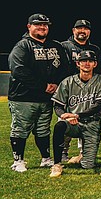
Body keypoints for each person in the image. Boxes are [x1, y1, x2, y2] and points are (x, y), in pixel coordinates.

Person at [8, 13, 70, 172]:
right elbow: (18, 70)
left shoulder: (56, 45)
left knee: (43, 129)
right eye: (38, 24)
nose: (42, 27)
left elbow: (65, 68)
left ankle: (46, 158)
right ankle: (18, 161)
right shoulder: (23, 46)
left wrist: (56, 84)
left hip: (47, 98)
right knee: (20, 129)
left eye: (45, 25)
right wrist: (42, 86)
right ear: (29, 26)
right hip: (24, 97)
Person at [49, 50, 101, 177]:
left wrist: (76, 115)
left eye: (90, 61)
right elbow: (58, 106)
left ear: (95, 64)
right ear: (78, 64)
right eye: (83, 61)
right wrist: (63, 115)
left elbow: (97, 106)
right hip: (73, 123)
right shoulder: (68, 81)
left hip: (92, 124)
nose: (87, 64)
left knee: (88, 165)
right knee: (60, 126)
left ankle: (82, 156)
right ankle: (56, 164)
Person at [58, 19, 101, 164]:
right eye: (79, 28)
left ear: (89, 32)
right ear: (73, 30)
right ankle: (63, 152)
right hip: (69, 91)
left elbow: (100, 70)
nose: (82, 31)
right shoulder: (64, 46)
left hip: (88, 90)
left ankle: (83, 152)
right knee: (65, 120)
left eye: (85, 28)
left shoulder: (94, 49)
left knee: (86, 120)